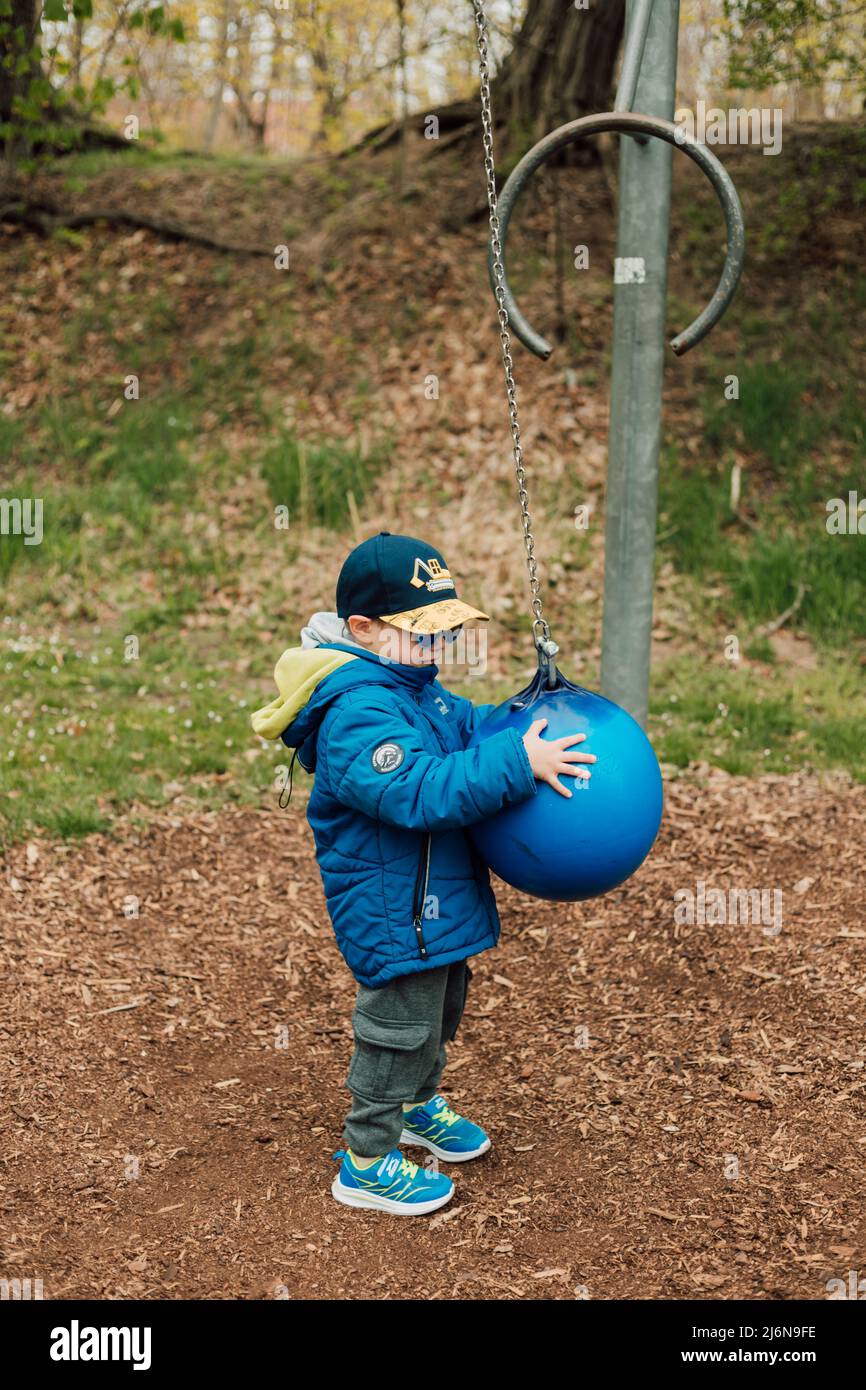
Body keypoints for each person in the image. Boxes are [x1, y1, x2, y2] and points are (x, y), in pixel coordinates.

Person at [251, 531, 594, 1215]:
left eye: (444, 630)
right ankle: (368, 1158)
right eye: (424, 632)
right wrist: (516, 764)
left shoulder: (415, 688)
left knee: (440, 1012)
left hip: (434, 901)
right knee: (398, 1027)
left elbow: (468, 729)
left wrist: (528, 715)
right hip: (393, 908)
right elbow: (418, 788)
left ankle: (415, 1104)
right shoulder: (357, 711)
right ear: (363, 628)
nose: (439, 647)